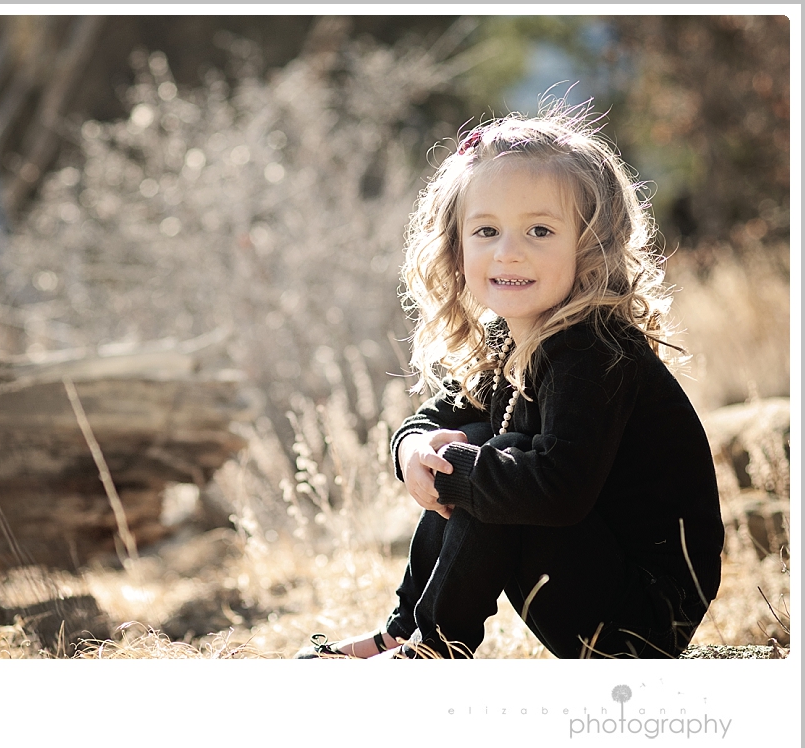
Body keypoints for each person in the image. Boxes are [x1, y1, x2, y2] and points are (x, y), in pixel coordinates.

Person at [296, 101, 724, 660]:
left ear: (589, 245)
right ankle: (403, 633)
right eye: (487, 230)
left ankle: (437, 648)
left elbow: (559, 488)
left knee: (494, 461)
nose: (509, 252)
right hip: (587, 576)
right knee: (468, 444)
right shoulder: (512, 335)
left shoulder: (591, 347)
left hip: (639, 613)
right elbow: (440, 416)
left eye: (540, 230)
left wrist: (459, 470)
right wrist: (414, 450)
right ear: (456, 247)